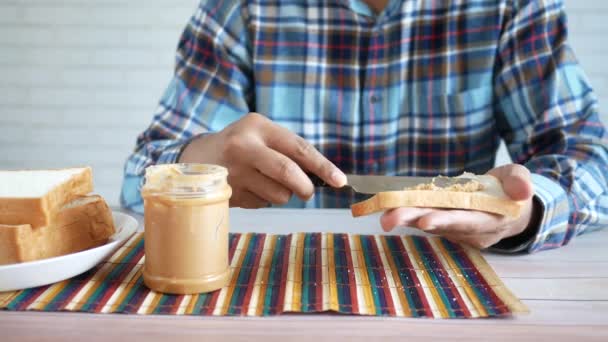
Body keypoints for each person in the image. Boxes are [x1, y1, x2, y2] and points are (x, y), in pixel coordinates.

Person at [121, 0, 607, 253]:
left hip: (451, 285)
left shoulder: (510, 7)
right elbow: (139, 174)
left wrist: (524, 212)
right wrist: (197, 162)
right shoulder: (240, 9)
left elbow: (590, 161)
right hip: (273, 293)